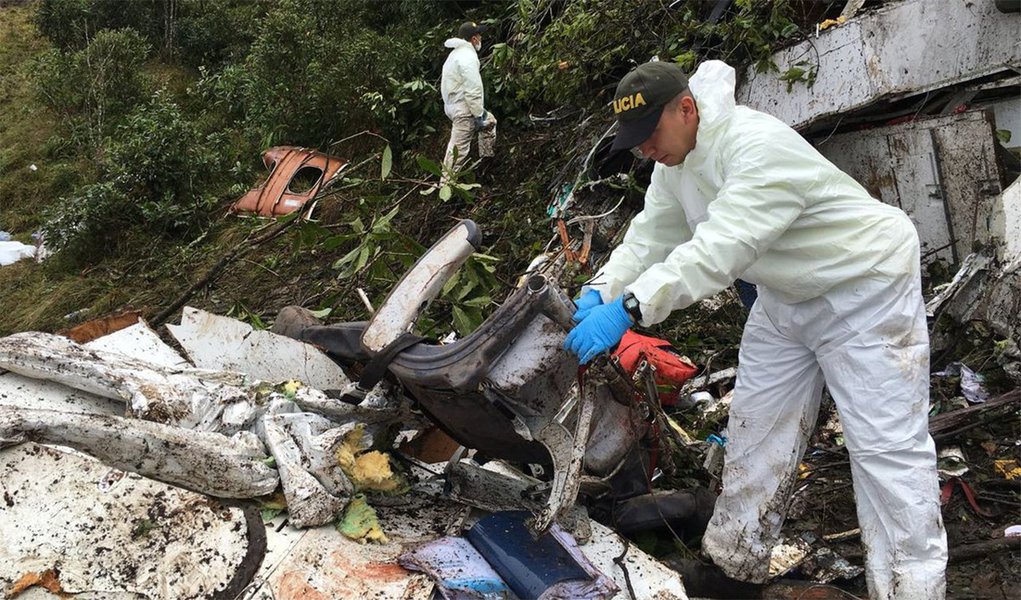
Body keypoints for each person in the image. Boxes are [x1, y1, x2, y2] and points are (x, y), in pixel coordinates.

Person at [564, 60, 947, 599]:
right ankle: (733, 569)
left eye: (650, 134)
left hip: (863, 287)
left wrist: (629, 308)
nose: (645, 149)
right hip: (786, 297)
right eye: (637, 140)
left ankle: (912, 590)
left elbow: (721, 248)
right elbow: (651, 236)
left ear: (687, 108)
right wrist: (602, 289)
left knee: (886, 450)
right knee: (756, 429)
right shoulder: (676, 164)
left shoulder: (757, 147)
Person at [439, 20, 497, 184]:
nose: (480, 38)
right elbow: (473, 89)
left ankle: (486, 163)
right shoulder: (467, 57)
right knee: (458, 150)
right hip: (464, 109)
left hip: (454, 106)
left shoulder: (455, 54)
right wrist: (478, 115)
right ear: (473, 39)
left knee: (491, 122)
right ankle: (446, 187)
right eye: (479, 35)